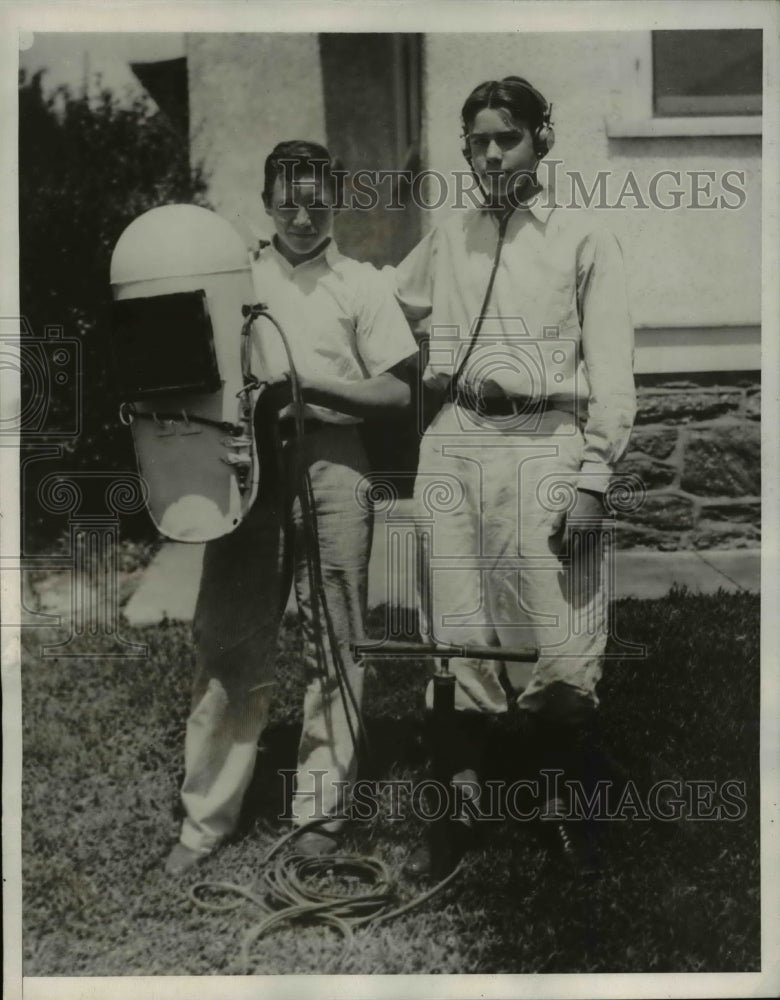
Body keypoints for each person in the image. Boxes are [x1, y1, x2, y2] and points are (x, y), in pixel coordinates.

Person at [391, 77, 636, 875]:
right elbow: (390, 304)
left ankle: (566, 804)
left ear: (542, 139)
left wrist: (596, 476)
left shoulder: (582, 237)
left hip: (549, 440)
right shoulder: (449, 236)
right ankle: (465, 801)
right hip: (456, 442)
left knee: (561, 638)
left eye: (509, 137)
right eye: (478, 141)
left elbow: (614, 368)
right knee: (460, 631)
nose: (492, 153)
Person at [165, 140, 418, 875]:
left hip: (336, 466)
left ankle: (321, 812)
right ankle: (204, 819)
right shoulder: (233, 276)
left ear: (335, 200)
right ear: (266, 201)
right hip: (247, 471)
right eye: (288, 202)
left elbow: (399, 391)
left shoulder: (360, 285)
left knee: (334, 641)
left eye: (317, 201)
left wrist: (311, 388)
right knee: (230, 641)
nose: (303, 216)